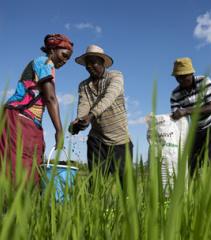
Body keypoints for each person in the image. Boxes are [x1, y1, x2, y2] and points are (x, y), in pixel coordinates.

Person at [0, 34, 73, 183]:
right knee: (20, 163)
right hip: (19, 116)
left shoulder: (48, 67)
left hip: (29, 119)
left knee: (34, 158)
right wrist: (59, 130)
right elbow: (50, 98)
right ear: (52, 49)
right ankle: (15, 203)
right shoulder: (44, 62)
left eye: (68, 58)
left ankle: (27, 202)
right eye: (64, 55)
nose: (65, 60)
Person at [68, 45, 132, 187]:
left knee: (126, 186)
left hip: (119, 141)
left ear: (102, 62)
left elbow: (109, 98)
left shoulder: (115, 76)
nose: (90, 66)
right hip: (97, 140)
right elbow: (83, 104)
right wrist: (79, 121)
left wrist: (90, 116)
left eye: (94, 62)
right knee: (96, 184)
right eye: (87, 64)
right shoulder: (84, 85)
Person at [170, 57, 211, 176]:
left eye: (184, 77)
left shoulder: (204, 81)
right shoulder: (175, 95)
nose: (181, 80)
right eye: (178, 77)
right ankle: (192, 192)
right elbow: (176, 118)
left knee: (208, 162)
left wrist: (187, 111)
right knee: (190, 163)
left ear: (191, 73)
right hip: (196, 129)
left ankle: (209, 190)